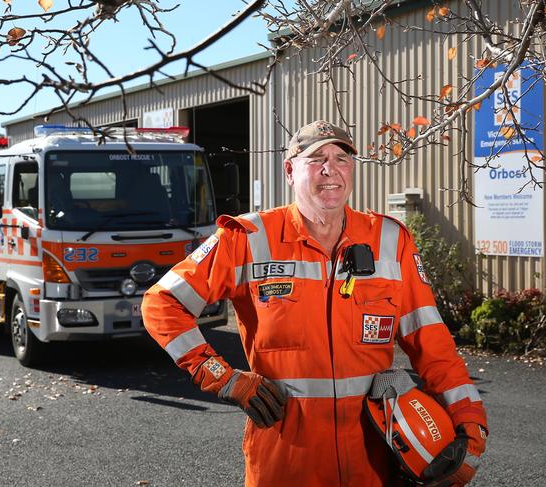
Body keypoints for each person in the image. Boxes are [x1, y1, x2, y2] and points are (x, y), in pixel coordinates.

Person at [141, 120, 488, 486]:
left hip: (374, 464)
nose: (330, 169)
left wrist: (469, 422)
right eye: (316, 158)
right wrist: (223, 379)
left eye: (341, 158)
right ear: (290, 171)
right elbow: (162, 303)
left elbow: (432, 345)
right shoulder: (247, 238)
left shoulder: (390, 240)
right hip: (284, 463)